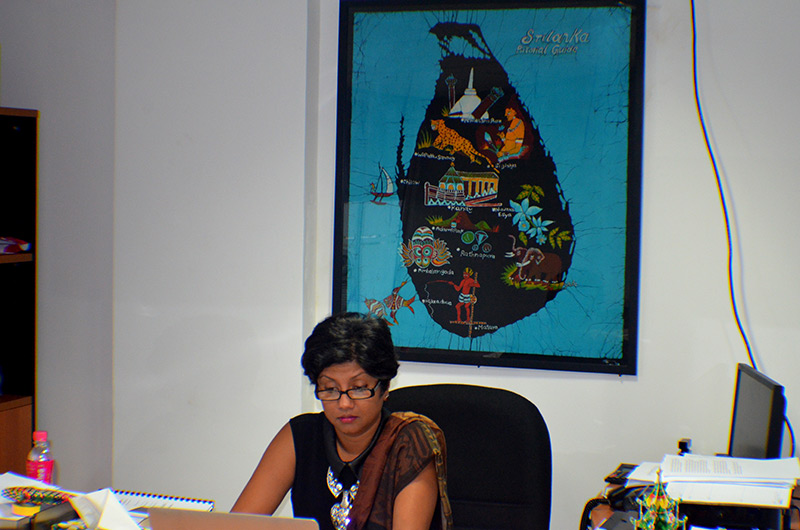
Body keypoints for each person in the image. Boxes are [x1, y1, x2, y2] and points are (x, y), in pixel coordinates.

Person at [232, 313, 452, 530]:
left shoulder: (409, 444)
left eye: (358, 388)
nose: (344, 403)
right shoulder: (300, 436)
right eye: (330, 389)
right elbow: (237, 525)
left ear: (385, 387)